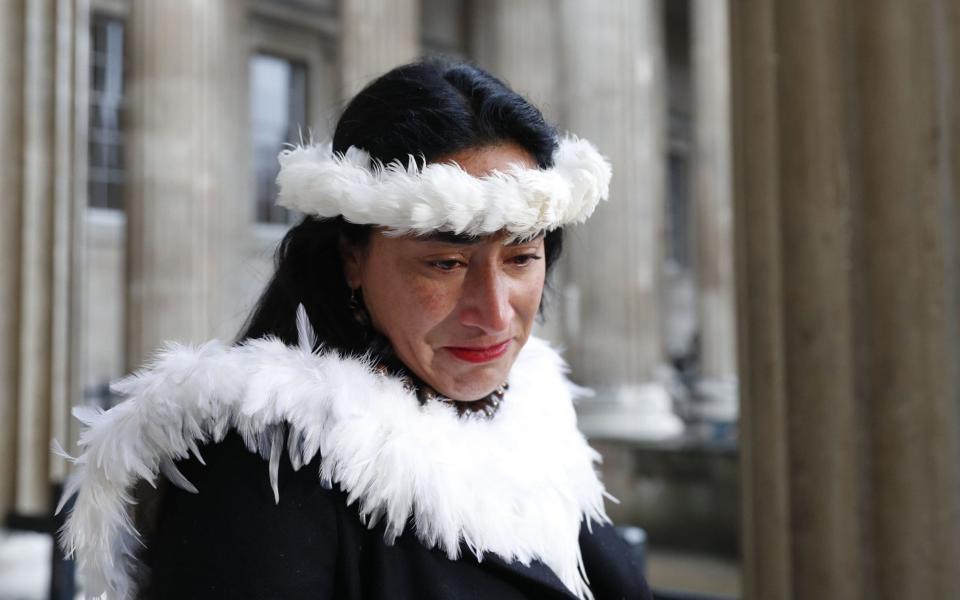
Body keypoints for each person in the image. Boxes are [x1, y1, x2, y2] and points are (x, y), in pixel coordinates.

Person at [57, 60, 652, 600]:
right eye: (445, 264)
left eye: (522, 259)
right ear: (351, 258)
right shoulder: (262, 464)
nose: (494, 314)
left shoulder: (534, 414)